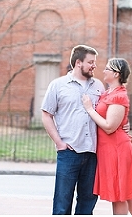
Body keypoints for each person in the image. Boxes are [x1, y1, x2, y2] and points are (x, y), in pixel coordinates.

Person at [41, 44, 105, 215]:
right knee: (62, 203)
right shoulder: (58, 85)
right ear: (78, 63)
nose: (94, 66)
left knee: (87, 203)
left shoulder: (98, 86)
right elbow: (46, 114)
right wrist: (59, 143)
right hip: (69, 152)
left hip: (92, 153)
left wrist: (123, 123)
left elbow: (108, 111)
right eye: (90, 62)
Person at [82, 58, 132, 215]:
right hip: (109, 150)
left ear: (116, 74)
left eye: (107, 69)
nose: (104, 71)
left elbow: (109, 127)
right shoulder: (108, 93)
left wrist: (90, 109)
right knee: (123, 194)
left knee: (122, 195)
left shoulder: (119, 96)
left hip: (118, 150)